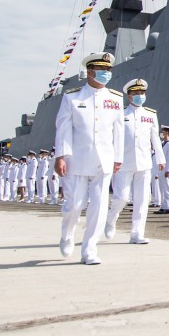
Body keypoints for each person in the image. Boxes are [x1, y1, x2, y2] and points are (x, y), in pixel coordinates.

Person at [53, 51, 124, 265]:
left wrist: (118, 157)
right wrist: (61, 156)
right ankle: (67, 235)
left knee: (99, 207)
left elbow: (118, 131)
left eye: (108, 70)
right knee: (74, 204)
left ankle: (89, 250)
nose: (106, 73)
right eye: (102, 70)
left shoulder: (115, 99)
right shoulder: (72, 97)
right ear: (90, 71)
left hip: (104, 160)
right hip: (77, 159)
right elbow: (63, 128)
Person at [106, 78, 166, 244]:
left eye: (142, 93)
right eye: (136, 93)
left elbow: (155, 138)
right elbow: (112, 137)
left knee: (142, 200)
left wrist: (160, 158)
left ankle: (137, 233)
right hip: (123, 163)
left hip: (144, 163)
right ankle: (111, 219)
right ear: (129, 96)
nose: (140, 95)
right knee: (121, 198)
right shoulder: (120, 114)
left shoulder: (150, 115)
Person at [154, 125, 169, 214]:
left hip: (166, 170)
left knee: (167, 188)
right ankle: (163, 206)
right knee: (162, 188)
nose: (161, 133)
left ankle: (167, 206)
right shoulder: (163, 144)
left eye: (163, 132)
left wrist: (168, 170)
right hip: (161, 169)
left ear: (167, 133)